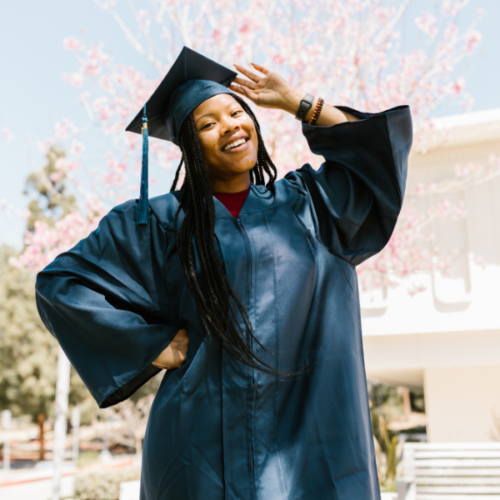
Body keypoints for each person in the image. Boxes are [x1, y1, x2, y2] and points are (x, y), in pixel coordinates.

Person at [35, 47, 412, 499]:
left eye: (236, 112)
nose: (230, 126)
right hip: (200, 444)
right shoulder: (156, 222)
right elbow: (62, 286)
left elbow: (375, 157)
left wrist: (298, 102)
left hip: (311, 440)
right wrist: (151, 344)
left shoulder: (311, 204)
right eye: (208, 124)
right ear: (190, 148)